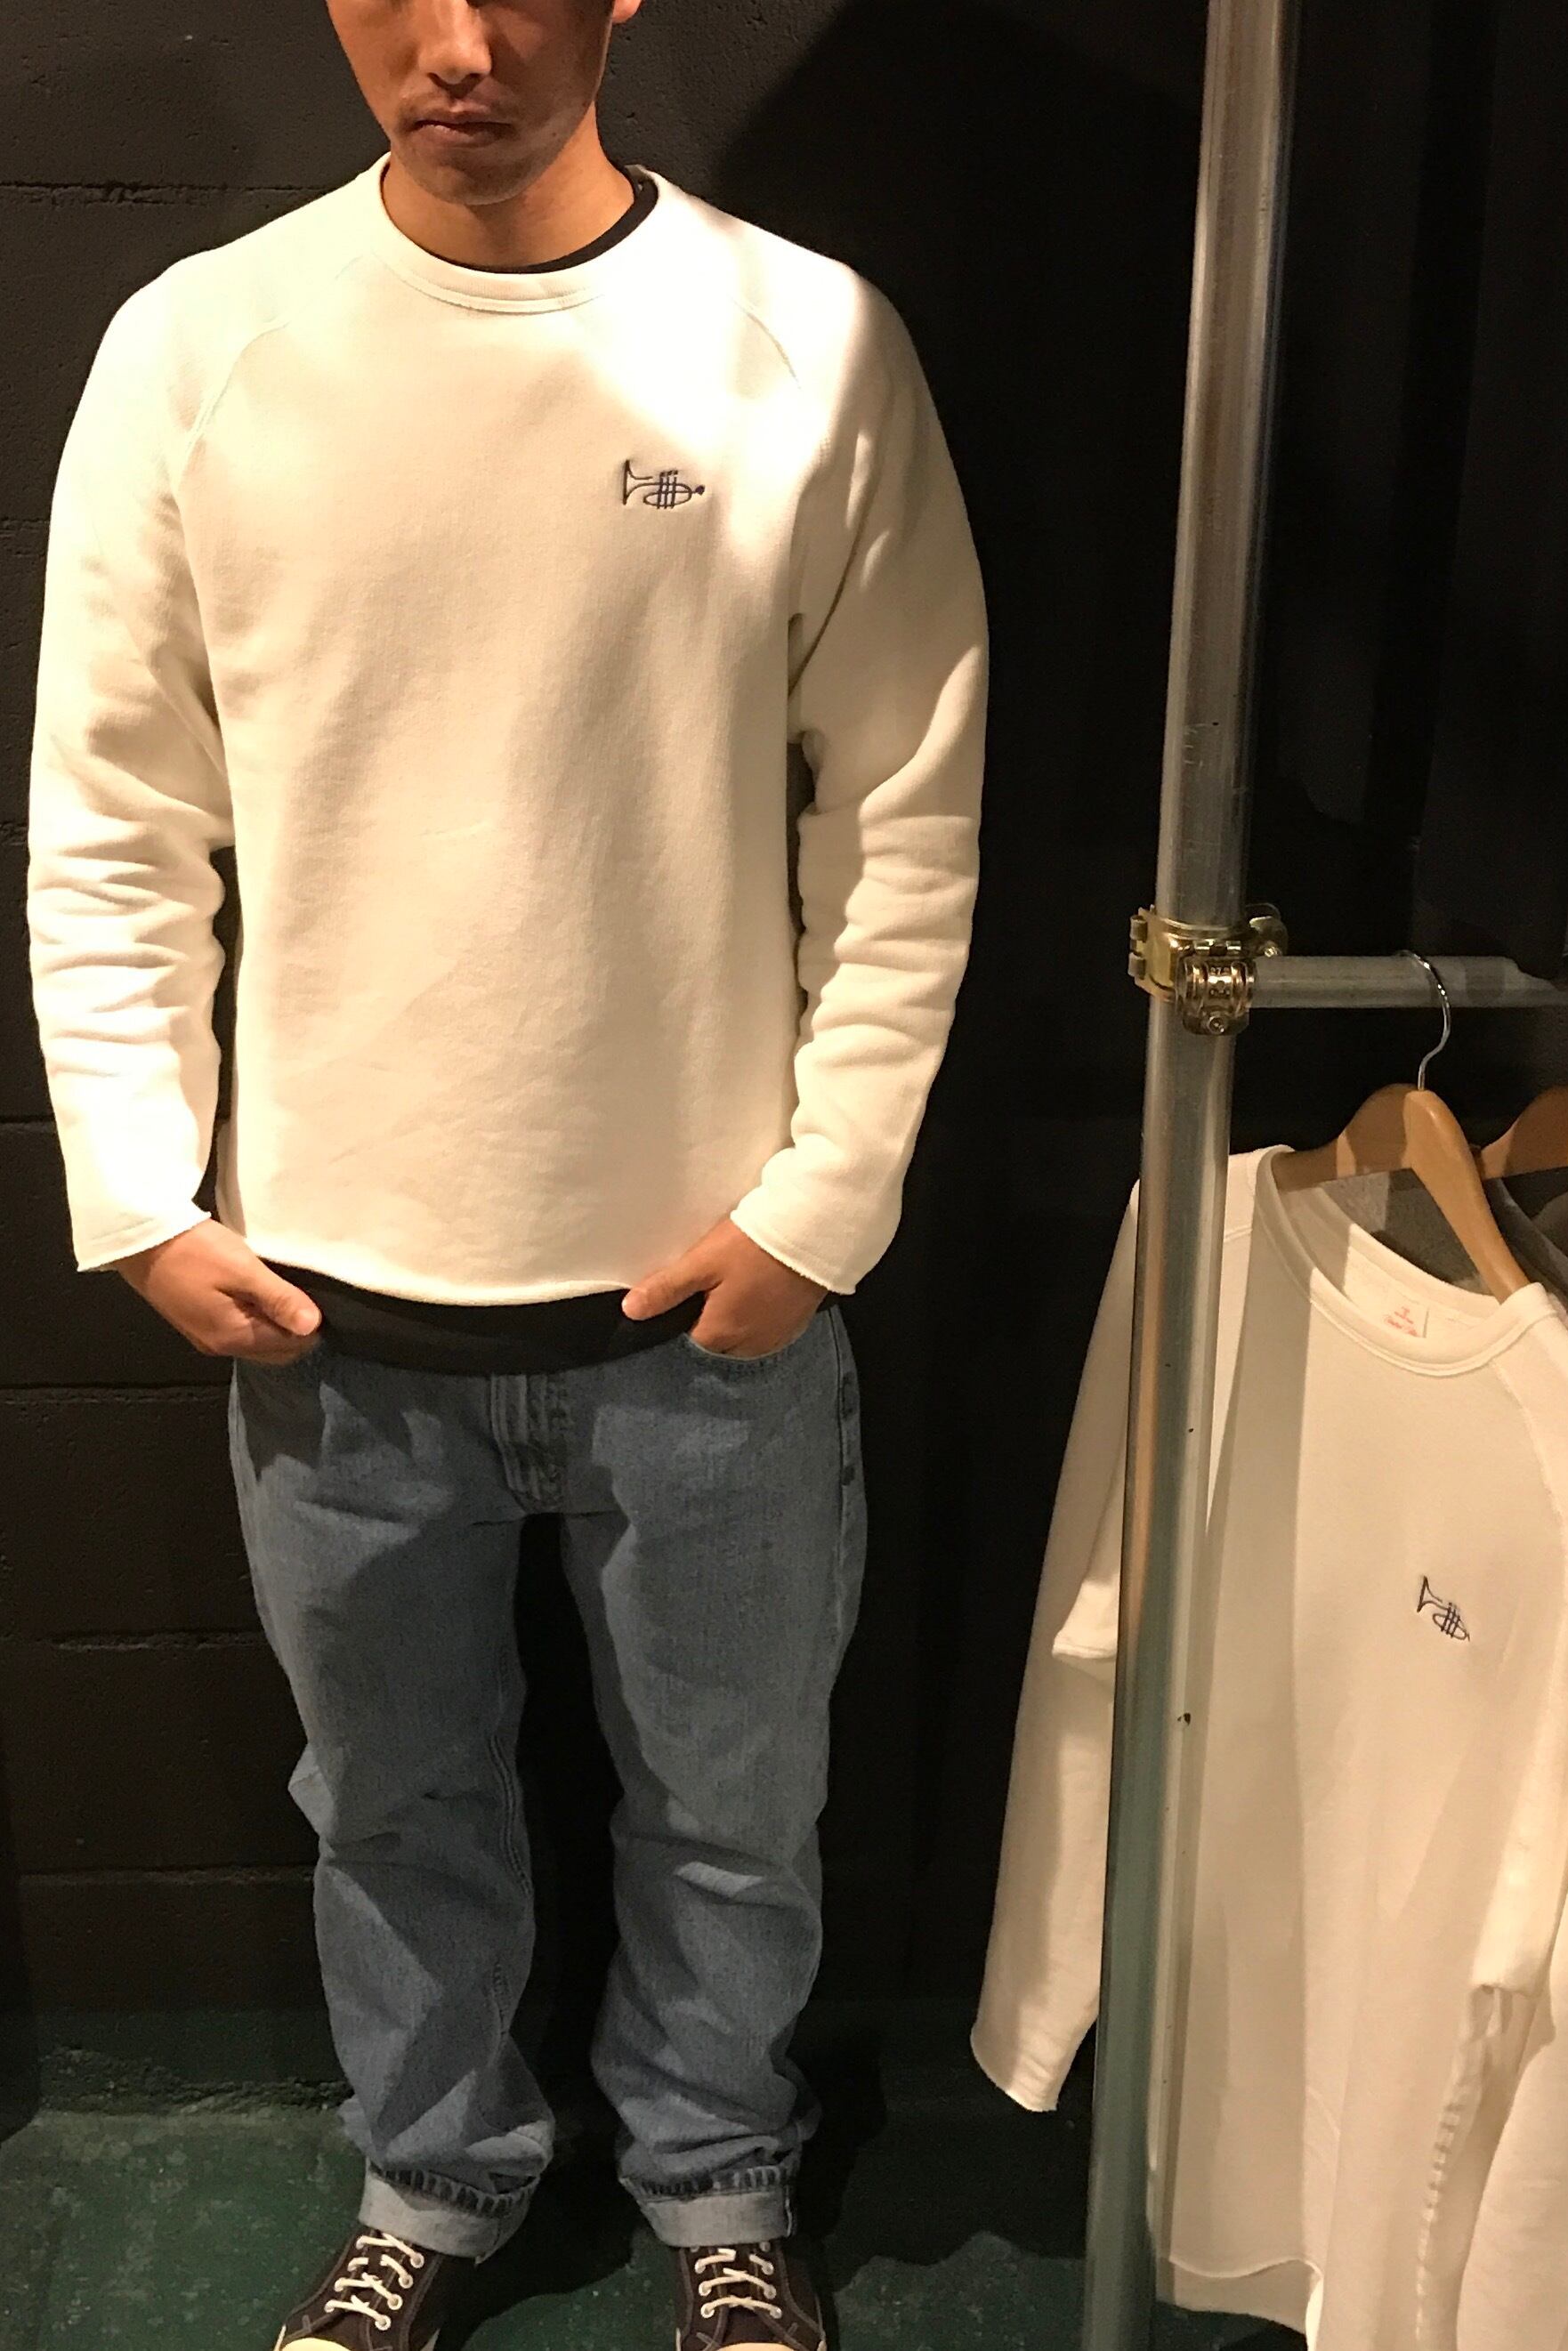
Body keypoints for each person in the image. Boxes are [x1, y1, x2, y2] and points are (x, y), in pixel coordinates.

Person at [21, 1, 989, 2343]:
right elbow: (115, 812)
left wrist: (824, 1200)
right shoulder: (200, 348)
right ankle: (433, 2179)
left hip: (711, 1307)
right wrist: (139, 1187)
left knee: (737, 1815)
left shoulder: (804, 342)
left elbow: (909, 803)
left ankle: (722, 2178)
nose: (459, 45)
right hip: (330, 1311)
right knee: (388, 1807)